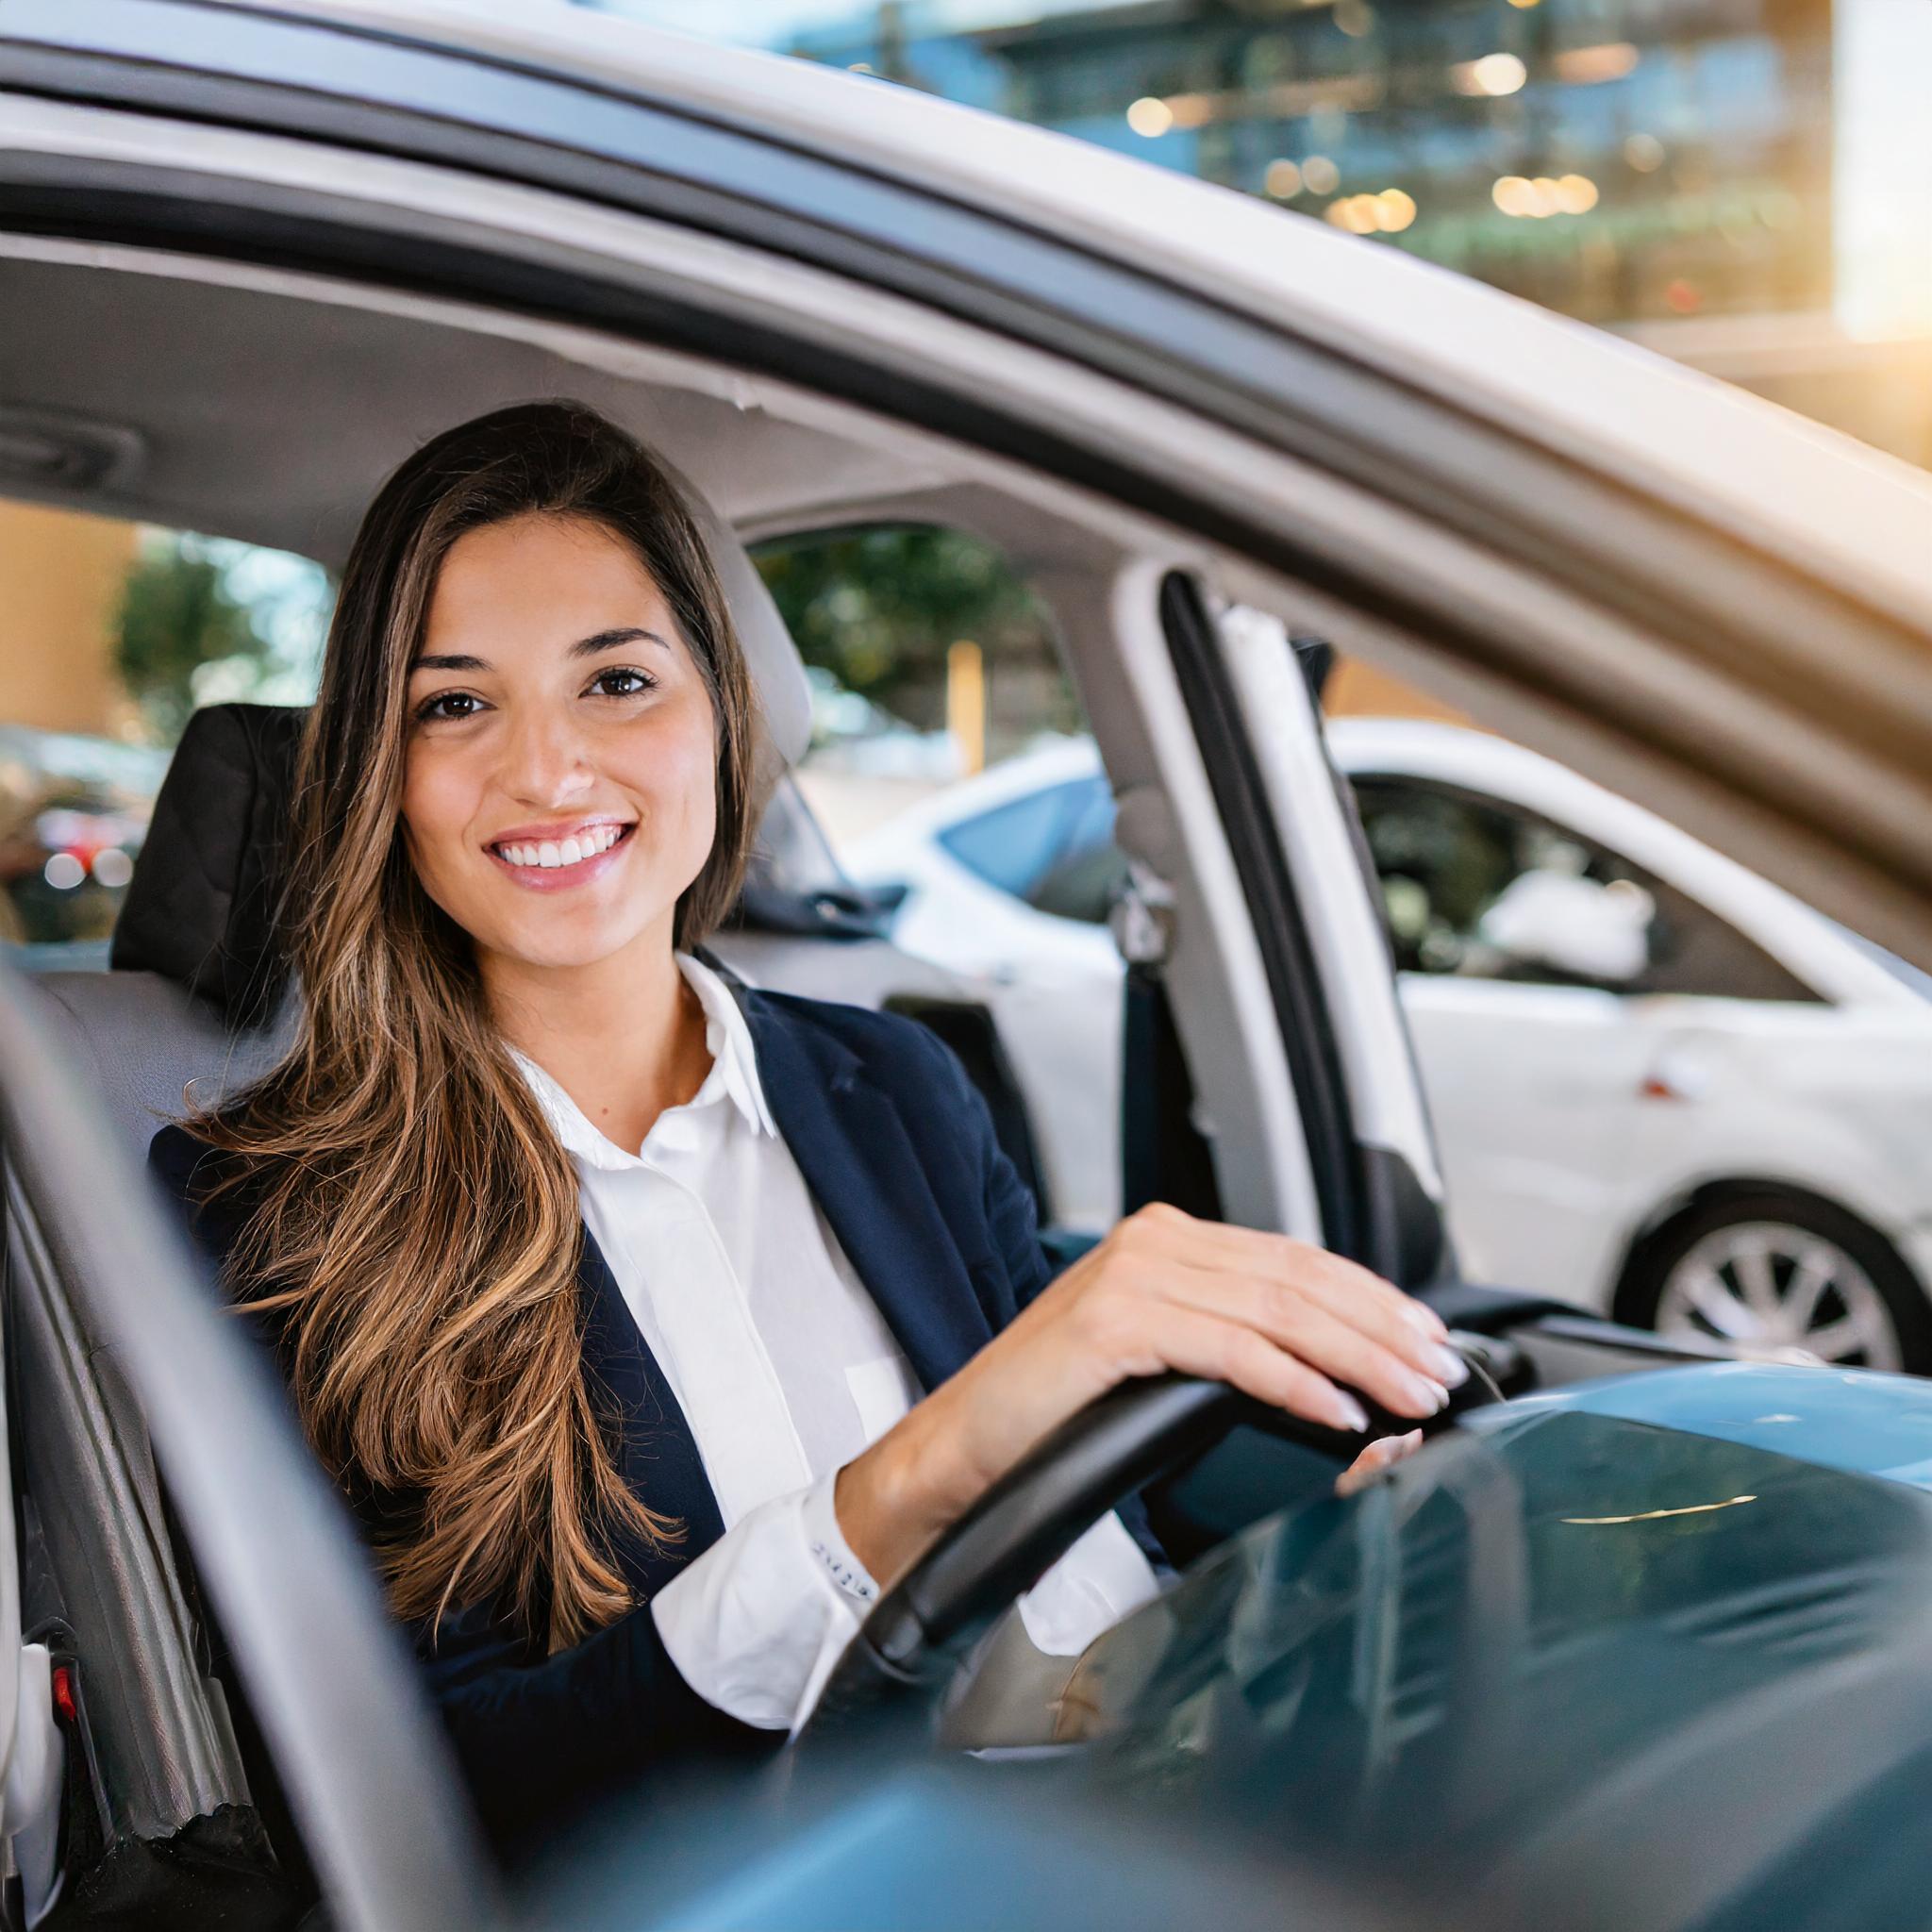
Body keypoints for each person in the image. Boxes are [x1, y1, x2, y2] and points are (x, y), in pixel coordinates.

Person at [148, 401, 1463, 1859]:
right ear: (380, 773)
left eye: (619, 683)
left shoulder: (895, 1081)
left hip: (1178, 1821)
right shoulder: (277, 1203)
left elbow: (1100, 1544)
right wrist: (911, 1482)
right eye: (454, 704)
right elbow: (450, 1802)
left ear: (725, 717)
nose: (546, 771)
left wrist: (1308, 1581)